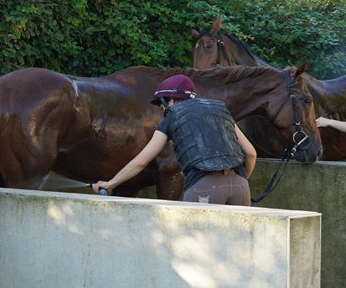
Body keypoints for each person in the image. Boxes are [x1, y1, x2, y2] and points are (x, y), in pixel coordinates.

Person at [92, 74, 257, 205]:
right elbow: (251, 153)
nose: (162, 109)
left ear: (170, 100)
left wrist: (110, 184)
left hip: (204, 186)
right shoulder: (220, 110)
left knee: (192, 239)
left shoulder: (172, 117)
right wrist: (240, 181)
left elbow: (141, 162)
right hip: (240, 186)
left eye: (161, 104)